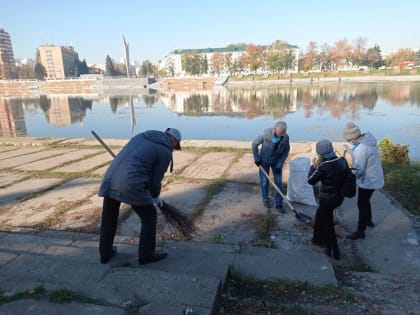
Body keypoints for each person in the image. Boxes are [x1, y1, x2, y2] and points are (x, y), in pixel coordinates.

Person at [98, 128, 182, 264]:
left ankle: (105, 254)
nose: (173, 148)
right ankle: (146, 255)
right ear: (174, 141)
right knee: (149, 216)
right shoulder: (165, 151)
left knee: (109, 218)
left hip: (111, 177)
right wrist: (155, 196)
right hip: (131, 183)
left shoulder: (142, 136)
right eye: (175, 145)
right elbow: (155, 180)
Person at [343, 122, 384, 240]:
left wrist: (347, 175)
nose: (348, 142)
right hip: (375, 176)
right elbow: (360, 155)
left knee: (361, 203)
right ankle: (369, 220)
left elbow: (358, 170)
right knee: (366, 201)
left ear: (353, 138)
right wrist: (350, 151)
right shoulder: (367, 141)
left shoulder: (362, 148)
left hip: (369, 180)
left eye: (348, 140)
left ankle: (361, 231)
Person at [307, 139, 347, 260]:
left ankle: (333, 252)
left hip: (327, 200)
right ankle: (317, 240)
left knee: (327, 224)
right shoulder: (342, 161)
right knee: (319, 217)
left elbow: (310, 180)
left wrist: (313, 166)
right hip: (339, 197)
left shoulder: (324, 166)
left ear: (321, 153)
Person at [252, 121, 290, 213]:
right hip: (264, 161)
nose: (281, 135)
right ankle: (265, 199)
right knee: (264, 181)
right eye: (279, 133)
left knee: (278, 182)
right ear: (274, 129)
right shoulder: (265, 133)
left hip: (276, 162)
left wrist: (280, 164)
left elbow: (286, 151)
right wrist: (257, 158)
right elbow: (254, 144)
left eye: (282, 133)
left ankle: (279, 203)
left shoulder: (286, 137)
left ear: (285, 131)